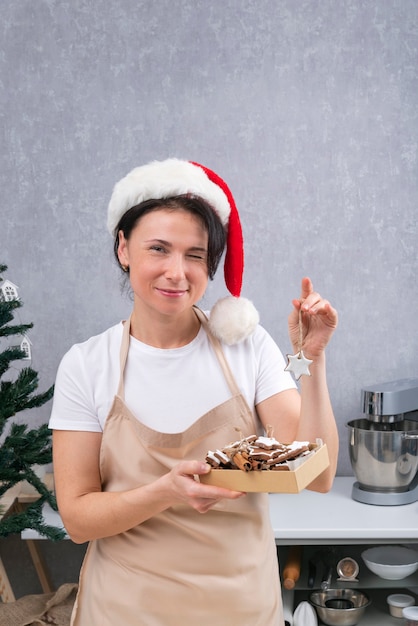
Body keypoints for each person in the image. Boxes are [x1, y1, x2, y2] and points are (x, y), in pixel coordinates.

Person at [49, 158, 339, 626]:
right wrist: (164, 492)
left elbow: (317, 475)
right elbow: (79, 519)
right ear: (124, 248)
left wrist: (313, 358)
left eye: (195, 256)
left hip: (241, 608)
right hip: (125, 610)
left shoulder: (247, 347)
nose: (177, 273)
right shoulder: (87, 365)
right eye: (158, 249)